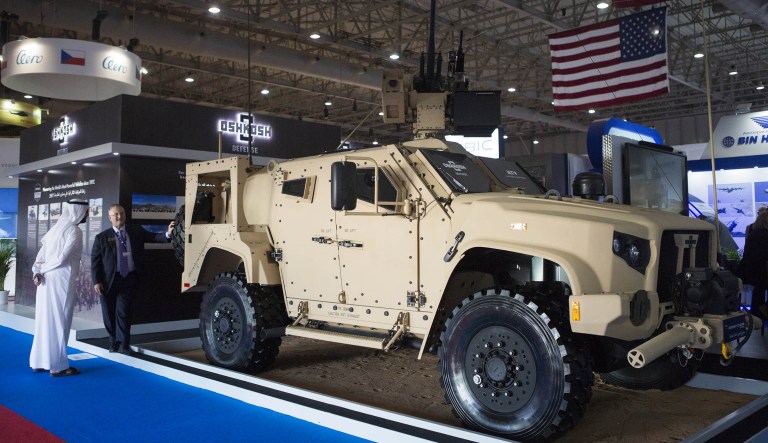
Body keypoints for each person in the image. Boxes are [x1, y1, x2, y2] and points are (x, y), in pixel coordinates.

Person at [91, 204, 173, 355]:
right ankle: (113, 342)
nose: (119, 217)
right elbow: (95, 262)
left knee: (124, 312)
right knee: (108, 313)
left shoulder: (135, 231)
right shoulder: (102, 237)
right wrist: (97, 281)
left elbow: (153, 237)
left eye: (122, 213)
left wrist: (167, 234)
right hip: (108, 281)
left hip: (128, 279)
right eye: (116, 214)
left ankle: (124, 345)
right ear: (110, 218)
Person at [29, 199, 89, 377]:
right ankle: (58, 366)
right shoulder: (75, 230)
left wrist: (37, 271)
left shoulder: (55, 228)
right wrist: (41, 270)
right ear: (78, 211)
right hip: (62, 280)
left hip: (45, 281)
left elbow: (40, 257)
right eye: (86, 211)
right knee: (60, 321)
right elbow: (62, 258)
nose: (87, 215)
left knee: (44, 320)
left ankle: (39, 362)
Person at [738, 209, 768, 320]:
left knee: (756, 293)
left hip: (749, 270)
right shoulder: (765, 235)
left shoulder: (753, 234)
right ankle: (761, 313)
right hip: (761, 271)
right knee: (759, 292)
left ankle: (756, 315)